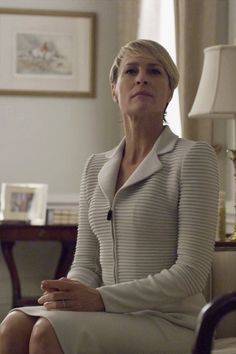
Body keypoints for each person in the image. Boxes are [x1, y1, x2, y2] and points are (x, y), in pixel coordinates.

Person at [0, 39, 219, 354]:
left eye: (154, 71)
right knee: (13, 324)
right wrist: (69, 292)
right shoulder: (96, 166)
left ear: (170, 91)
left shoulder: (193, 158)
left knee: (47, 332)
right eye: (131, 71)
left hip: (172, 323)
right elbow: (87, 263)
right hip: (109, 314)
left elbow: (191, 274)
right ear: (115, 89)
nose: (141, 77)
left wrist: (100, 299)